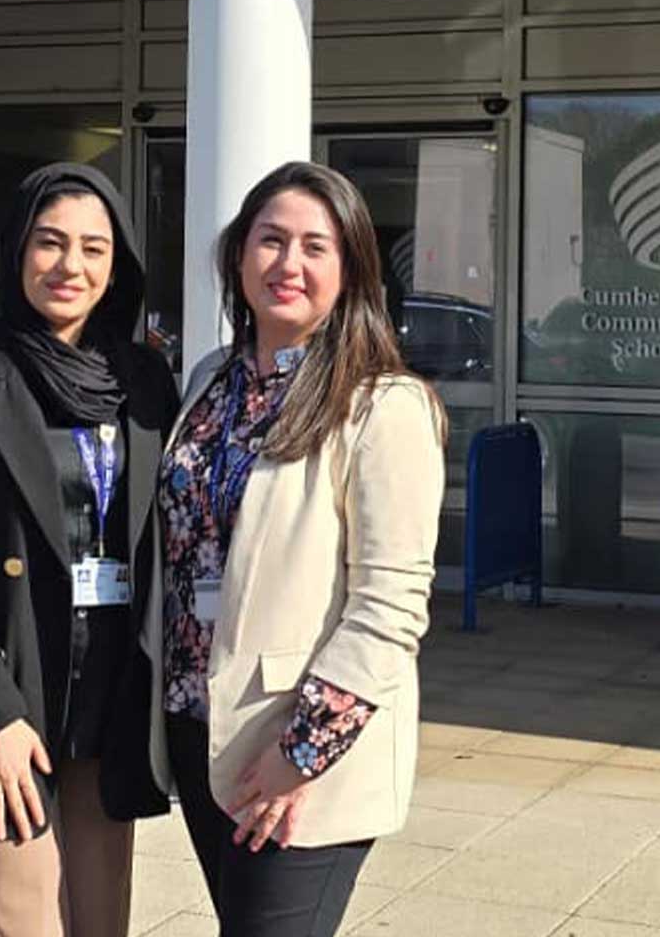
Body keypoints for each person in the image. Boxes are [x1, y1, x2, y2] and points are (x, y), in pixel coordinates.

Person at [149, 161, 447, 936]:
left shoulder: (383, 406)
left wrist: (300, 752)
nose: (289, 264)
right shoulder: (211, 381)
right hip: (203, 728)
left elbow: (389, 608)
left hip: (300, 752)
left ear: (349, 271)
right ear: (238, 256)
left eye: (316, 247)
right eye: (270, 240)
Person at [0, 163, 177, 937]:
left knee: (100, 924)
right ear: (18, 250)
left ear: (116, 266)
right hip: (9, 697)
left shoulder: (144, 381)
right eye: (51, 243)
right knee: (11, 924)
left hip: (109, 703)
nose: (71, 266)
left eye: (94, 248)